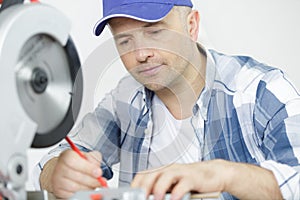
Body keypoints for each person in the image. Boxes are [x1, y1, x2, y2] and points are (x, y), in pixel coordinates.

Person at [35, 0, 300, 199]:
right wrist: (58, 172)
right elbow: (54, 161)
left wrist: (221, 174)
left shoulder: (262, 91)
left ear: (191, 25)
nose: (140, 54)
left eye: (154, 32)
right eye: (125, 40)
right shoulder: (124, 101)